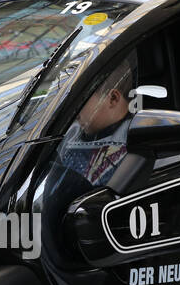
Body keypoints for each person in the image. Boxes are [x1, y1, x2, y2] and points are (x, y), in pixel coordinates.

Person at [56, 56, 137, 187]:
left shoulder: (135, 147)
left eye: (81, 102)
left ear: (113, 98)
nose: (75, 113)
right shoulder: (71, 134)